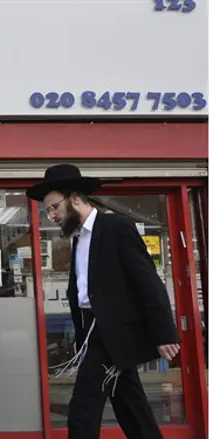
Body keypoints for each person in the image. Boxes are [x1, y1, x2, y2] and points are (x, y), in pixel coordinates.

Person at [26, 164, 180, 439]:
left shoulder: (116, 227)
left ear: (75, 198)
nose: (51, 216)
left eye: (54, 207)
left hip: (114, 333)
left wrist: (164, 332)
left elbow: (147, 281)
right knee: (130, 403)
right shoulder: (78, 239)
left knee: (84, 406)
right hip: (94, 331)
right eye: (47, 211)